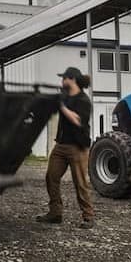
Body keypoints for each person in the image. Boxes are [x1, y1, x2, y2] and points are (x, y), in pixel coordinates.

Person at [38, 67, 95, 229]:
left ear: (72, 80)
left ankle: (88, 216)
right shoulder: (64, 97)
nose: (61, 82)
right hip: (61, 145)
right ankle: (55, 213)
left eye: (64, 79)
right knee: (51, 177)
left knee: (80, 183)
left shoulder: (83, 100)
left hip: (77, 147)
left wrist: (61, 106)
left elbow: (77, 120)